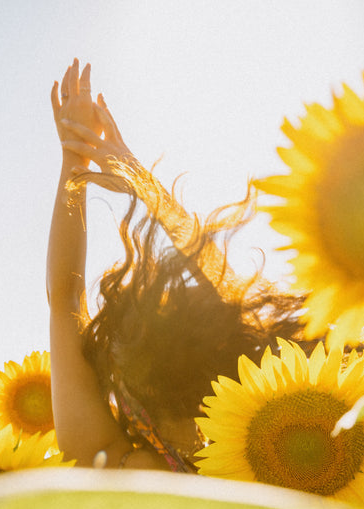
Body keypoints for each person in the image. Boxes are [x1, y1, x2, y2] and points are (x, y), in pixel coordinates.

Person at [48, 59, 307, 480]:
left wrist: (73, 162)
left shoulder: (115, 465)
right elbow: (230, 291)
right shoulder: (285, 466)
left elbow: (64, 299)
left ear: (131, 394)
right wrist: (139, 177)